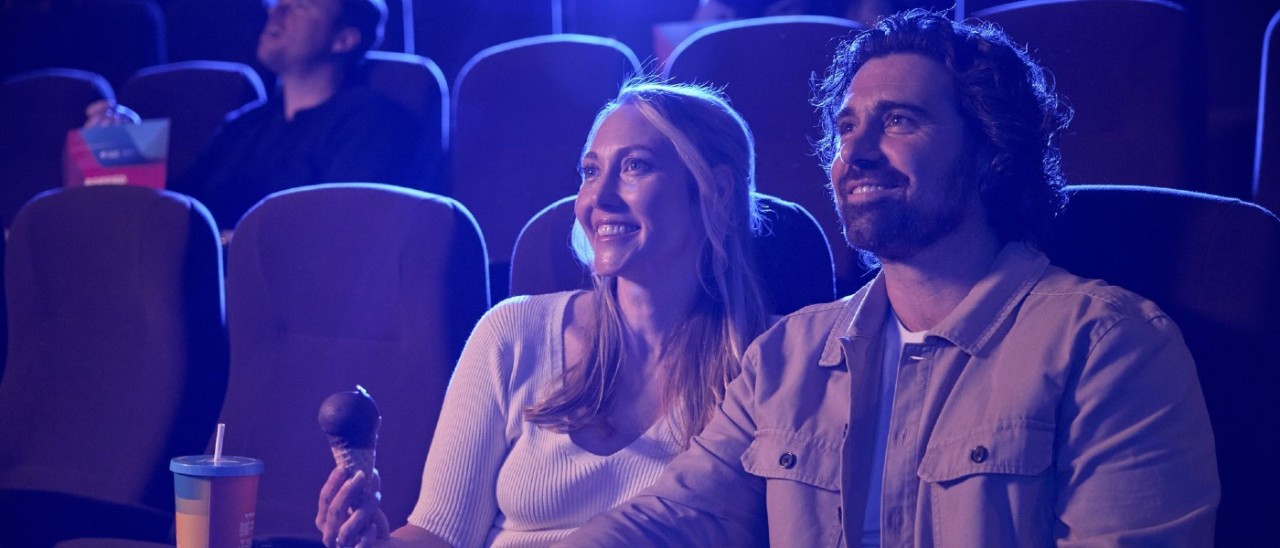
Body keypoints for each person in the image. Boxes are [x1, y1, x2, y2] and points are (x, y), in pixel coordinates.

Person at [559, 9, 1220, 546]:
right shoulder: (786, 360)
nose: (858, 153)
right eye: (847, 128)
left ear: (991, 147)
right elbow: (673, 521)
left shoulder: (1109, 349)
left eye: (900, 120)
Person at [315, 80, 772, 547]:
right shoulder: (511, 333)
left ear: (715, 190)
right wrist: (374, 544)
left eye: (636, 166)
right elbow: (438, 536)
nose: (600, 198)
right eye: (591, 173)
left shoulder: (768, 366)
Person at [87, 0, 429, 230]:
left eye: (300, 4)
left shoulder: (374, 122)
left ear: (343, 39)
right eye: (279, 1)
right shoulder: (244, 125)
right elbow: (181, 209)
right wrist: (121, 146)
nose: (276, 11)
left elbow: (338, 229)